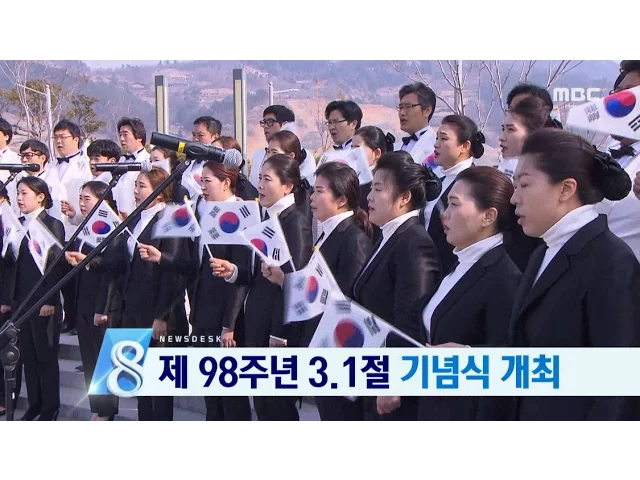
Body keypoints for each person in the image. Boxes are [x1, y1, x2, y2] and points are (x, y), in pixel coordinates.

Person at [507, 128, 640, 421]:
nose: (514, 198)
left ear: (566, 189)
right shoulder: (543, 252)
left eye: (524, 185)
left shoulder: (612, 263)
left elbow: (617, 391)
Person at [138, 161, 252, 421]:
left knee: (232, 398)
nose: (202, 187)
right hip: (202, 315)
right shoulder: (205, 213)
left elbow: (241, 276)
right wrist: (162, 257)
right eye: (201, 182)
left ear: (226, 182)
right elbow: (196, 266)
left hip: (226, 321)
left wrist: (229, 324)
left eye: (208, 181)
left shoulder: (240, 215)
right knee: (211, 395)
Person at [260, 161, 373, 420]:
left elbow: (348, 301)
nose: (311, 197)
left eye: (320, 191)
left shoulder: (352, 238)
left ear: (341, 199)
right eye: (313, 190)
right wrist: (285, 280)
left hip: (337, 353)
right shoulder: (327, 234)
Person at [210, 154, 312, 421]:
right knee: (264, 406)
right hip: (256, 325)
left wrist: (280, 332)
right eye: (259, 179)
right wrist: (234, 271)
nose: (261, 185)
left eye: (268, 179)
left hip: (276, 332)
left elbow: (294, 280)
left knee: (278, 408)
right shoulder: (265, 217)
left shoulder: (294, 221)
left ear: (287, 186)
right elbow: (258, 274)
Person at [417, 167, 522, 421]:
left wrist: (467, 355)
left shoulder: (503, 278)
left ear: (488, 216)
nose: (445, 214)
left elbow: (508, 364)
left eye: (454, 204)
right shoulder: (462, 261)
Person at [351, 150, 442, 421]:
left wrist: (395, 381)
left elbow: (410, 321)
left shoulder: (414, 243)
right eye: (371, 188)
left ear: (404, 198)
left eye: (378, 189)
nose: (369, 197)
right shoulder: (387, 236)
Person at [102, 167, 190, 421]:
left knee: (159, 388)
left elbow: (175, 273)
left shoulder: (172, 218)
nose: (136, 191)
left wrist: (162, 316)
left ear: (160, 193)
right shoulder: (136, 218)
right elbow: (123, 262)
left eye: (142, 186)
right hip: (133, 309)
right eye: (136, 185)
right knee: (140, 382)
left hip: (159, 313)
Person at [0, 176, 66, 421]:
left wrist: (50, 299)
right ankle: (35, 404)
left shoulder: (52, 224)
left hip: (43, 302)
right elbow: (10, 265)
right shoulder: (16, 224)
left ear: (40, 197)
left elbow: (55, 265)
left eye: (25, 193)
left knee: (45, 357)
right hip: (21, 302)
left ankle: (50, 407)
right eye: (18, 193)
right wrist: (7, 299)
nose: (19, 198)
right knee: (27, 356)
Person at [64, 181, 122, 421]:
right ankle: (96, 408)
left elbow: (113, 267)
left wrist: (103, 308)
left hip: (103, 303)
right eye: (81, 198)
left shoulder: (114, 228)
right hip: (84, 301)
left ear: (104, 201)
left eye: (87, 198)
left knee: (103, 360)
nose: (82, 203)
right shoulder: (85, 227)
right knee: (89, 360)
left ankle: (107, 410)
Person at [425, 114, 485, 274]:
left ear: (464, 146)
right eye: (437, 138)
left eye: (443, 138)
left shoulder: (473, 183)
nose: (436, 144)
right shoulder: (439, 178)